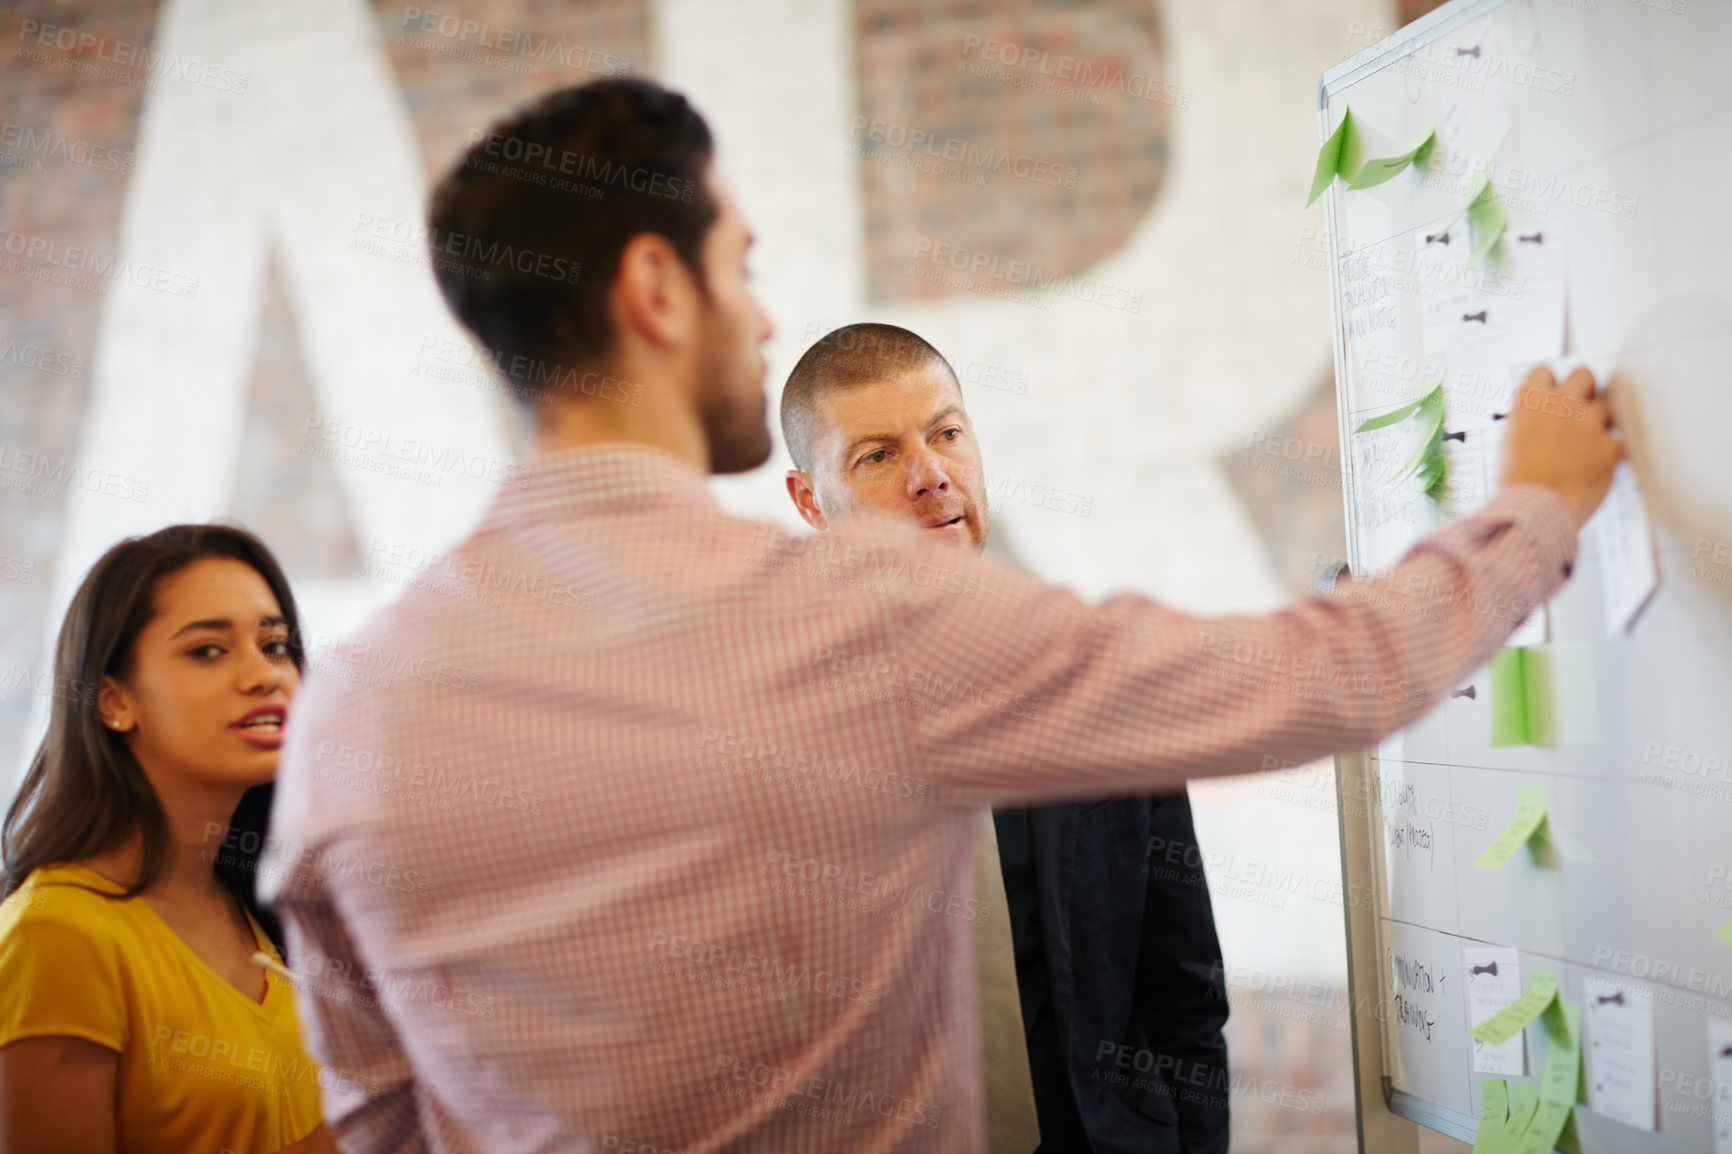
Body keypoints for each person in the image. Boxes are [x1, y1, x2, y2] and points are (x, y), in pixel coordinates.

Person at [262, 77, 1619, 1154]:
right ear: (657, 291)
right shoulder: (859, 618)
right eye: (741, 263)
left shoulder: (349, 714)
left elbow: (382, 1123)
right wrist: (1535, 509)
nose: (765, 309)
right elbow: (1306, 682)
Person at [781, 322, 1229, 1154]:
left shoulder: (1097, 692)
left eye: (947, 433)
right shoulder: (763, 728)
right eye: (876, 456)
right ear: (810, 501)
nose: (930, 476)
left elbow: (1182, 991)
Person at [0, 525, 340, 1153]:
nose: (264, 675)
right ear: (113, 701)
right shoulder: (57, 934)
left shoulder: (253, 904)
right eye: (209, 650)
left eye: (275, 645)